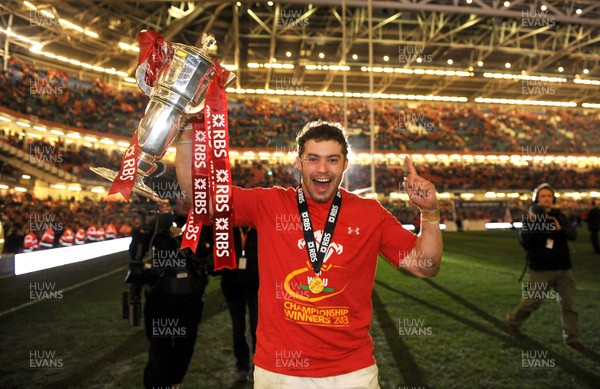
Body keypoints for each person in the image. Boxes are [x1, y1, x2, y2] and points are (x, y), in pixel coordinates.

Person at [176, 120, 442, 387]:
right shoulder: (268, 204)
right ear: (299, 163)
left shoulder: (370, 214)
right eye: (313, 159)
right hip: (280, 373)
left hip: (351, 374)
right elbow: (200, 196)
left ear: (345, 164)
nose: (323, 169)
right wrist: (187, 133)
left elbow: (425, 266)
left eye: (332, 160)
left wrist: (429, 212)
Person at [129, 201, 213, 388]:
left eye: (188, 196)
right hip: (162, 299)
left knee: (185, 347)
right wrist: (140, 229)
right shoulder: (158, 224)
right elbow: (136, 253)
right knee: (160, 348)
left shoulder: (203, 225)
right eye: (180, 196)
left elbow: (213, 258)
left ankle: (174, 382)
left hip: (191, 299)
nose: (185, 202)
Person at [506, 183, 587, 351]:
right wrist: (538, 224)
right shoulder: (531, 217)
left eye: (549, 196)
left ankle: (572, 338)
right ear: (537, 199)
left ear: (553, 199)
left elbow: (573, 235)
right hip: (541, 269)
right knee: (533, 301)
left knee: (569, 305)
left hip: (563, 267)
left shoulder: (559, 216)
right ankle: (513, 321)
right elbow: (524, 241)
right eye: (543, 196)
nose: (547, 199)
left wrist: (559, 228)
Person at [221, 226, 259, 384]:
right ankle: (242, 367)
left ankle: (258, 367)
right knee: (238, 330)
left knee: (257, 329)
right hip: (233, 287)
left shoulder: (259, 228)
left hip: (256, 287)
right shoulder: (226, 229)